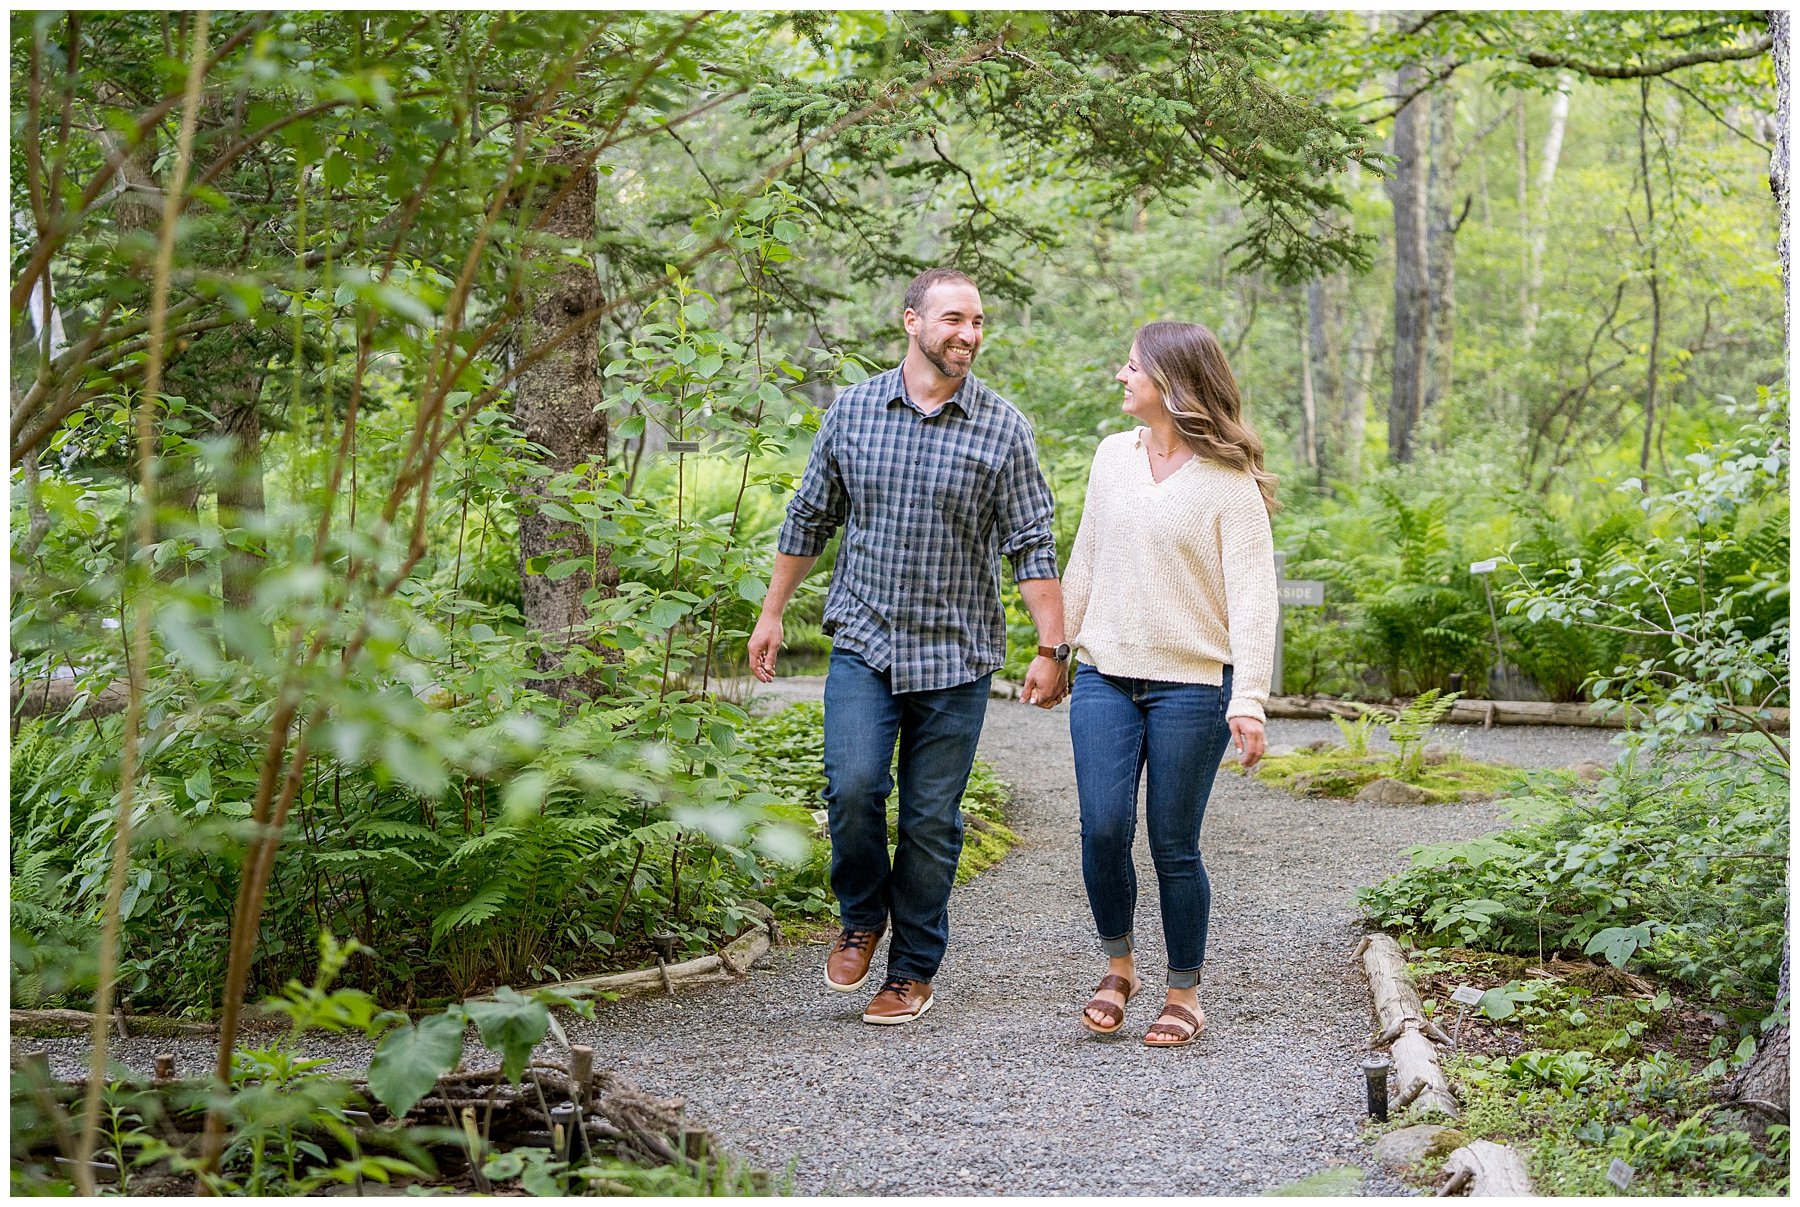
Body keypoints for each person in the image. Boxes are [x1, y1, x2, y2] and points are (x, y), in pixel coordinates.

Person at [748, 268, 1069, 1025]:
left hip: (956, 655)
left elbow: (1032, 542)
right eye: (954, 318)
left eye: (979, 321)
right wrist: (772, 612)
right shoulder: (855, 410)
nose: (969, 334)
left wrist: (1052, 648)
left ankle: (912, 968)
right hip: (863, 638)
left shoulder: (1003, 427)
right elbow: (810, 515)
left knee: (931, 818)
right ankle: (861, 915)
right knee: (854, 788)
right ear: (911, 322)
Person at [1060, 320, 1279, 1047]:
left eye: (1132, 368)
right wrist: (1054, 646)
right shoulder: (1110, 456)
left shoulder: (1228, 481)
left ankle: (1184, 990)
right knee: (1102, 827)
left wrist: (1247, 699)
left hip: (1191, 684)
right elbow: (1085, 557)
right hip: (1105, 676)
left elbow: (1253, 597)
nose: (1121, 378)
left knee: (1172, 842)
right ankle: (1118, 967)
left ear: (1173, 382)